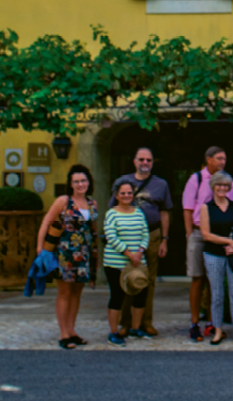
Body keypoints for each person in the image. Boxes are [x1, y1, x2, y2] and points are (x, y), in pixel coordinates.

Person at [109, 147, 172, 336]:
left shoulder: (161, 185)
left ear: (153, 163)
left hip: (152, 235)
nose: (145, 163)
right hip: (127, 238)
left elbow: (164, 212)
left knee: (147, 280)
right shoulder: (123, 182)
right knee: (127, 278)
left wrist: (164, 239)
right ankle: (126, 324)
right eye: (141, 160)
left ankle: (145, 322)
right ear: (134, 161)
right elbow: (112, 208)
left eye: (149, 160)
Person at [36, 164, 97, 349]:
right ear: (70, 184)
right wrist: (40, 248)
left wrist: (95, 254)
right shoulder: (63, 201)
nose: (80, 184)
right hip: (65, 253)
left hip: (84, 253)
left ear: (89, 182)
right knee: (64, 293)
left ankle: (72, 330)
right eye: (76, 181)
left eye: (83, 180)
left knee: (77, 293)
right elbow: (46, 221)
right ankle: (63, 333)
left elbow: (93, 230)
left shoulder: (92, 203)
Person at [182, 146, 233, 341]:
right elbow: (187, 208)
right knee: (197, 278)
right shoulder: (196, 179)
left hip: (219, 235)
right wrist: (189, 235)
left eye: (224, 159)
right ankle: (194, 323)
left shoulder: (228, 181)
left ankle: (213, 322)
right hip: (198, 234)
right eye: (219, 158)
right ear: (208, 159)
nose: (222, 162)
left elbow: (230, 207)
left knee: (215, 280)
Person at [199, 172, 233, 345]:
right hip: (213, 254)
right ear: (213, 186)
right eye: (219, 185)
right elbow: (206, 234)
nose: (222, 188)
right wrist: (228, 241)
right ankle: (218, 330)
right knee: (217, 294)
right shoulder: (207, 207)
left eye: (226, 185)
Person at [103, 181, 150, 347]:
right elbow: (111, 236)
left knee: (140, 294)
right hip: (116, 263)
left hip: (138, 263)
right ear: (116, 195)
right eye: (123, 193)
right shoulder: (111, 214)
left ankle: (135, 328)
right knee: (117, 296)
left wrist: (140, 252)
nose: (126, 196)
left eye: (129, 193)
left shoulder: (139, 213)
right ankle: (113, 332)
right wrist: (128, 253)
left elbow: (145, 234)